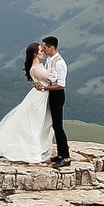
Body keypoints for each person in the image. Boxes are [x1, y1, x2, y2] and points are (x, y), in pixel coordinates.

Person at [0, 41, 54, 164]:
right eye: (40, 50)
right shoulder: (36, 68)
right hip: (39, 98)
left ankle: (38, 149)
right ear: (35, 54)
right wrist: (56, 65)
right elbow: (51, 78)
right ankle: (34, 156)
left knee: (40, 123)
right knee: (35, 124)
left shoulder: (38, 66)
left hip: (41, 96)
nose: (42, 51)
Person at [36, 36, 68, 165]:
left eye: (45, 47)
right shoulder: (50, 60)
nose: (43, 49)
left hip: (57, 95)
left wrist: (44, 88)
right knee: (55, 125)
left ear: (52, 47)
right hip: (52, 94)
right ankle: (60, 155)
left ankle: (66, 157)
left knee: (58, 126)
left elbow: (61, 84)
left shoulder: (59, 63)